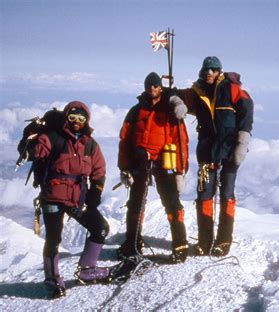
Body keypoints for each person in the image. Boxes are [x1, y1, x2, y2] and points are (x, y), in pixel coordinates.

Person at [174, 56, 254, 257]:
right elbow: (174, 95)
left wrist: (242, 142)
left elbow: (247, 108)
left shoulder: (231, 88)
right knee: (204, 195)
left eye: (214, 69)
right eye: (207, 69)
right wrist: (176, 102)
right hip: (208, 150)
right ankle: (204, 242)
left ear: (219, 71)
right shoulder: (197, 91)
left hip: (230, 149)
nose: (209, 72)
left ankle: (223, 241)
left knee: (227, 194)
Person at [34, 101, 109, 298]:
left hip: (77, 198)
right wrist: (31, 141)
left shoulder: (90, 144)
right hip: (52, 197)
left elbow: (99, 170)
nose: (77, 122)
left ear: (86, 120)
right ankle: (52, 280)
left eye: (81, 118)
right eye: (73, 117)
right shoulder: (53, 137)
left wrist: (96, 191)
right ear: (66, 117)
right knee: (53, 238)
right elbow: (36, 151)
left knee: (100, 227)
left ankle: (87, 269)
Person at [117, 72, 189, 263]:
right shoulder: (136, 111)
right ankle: (132, 243)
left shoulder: (170, 110)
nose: (152, 89)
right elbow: (125, 139)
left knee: (172, 201)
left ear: (160, 87)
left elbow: (180, 140)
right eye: (149, 86)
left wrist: (180, 171)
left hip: (164, 160)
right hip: (139, 161)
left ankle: (180, 244)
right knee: (136, 202)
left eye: (156, 86)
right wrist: (124, 167)